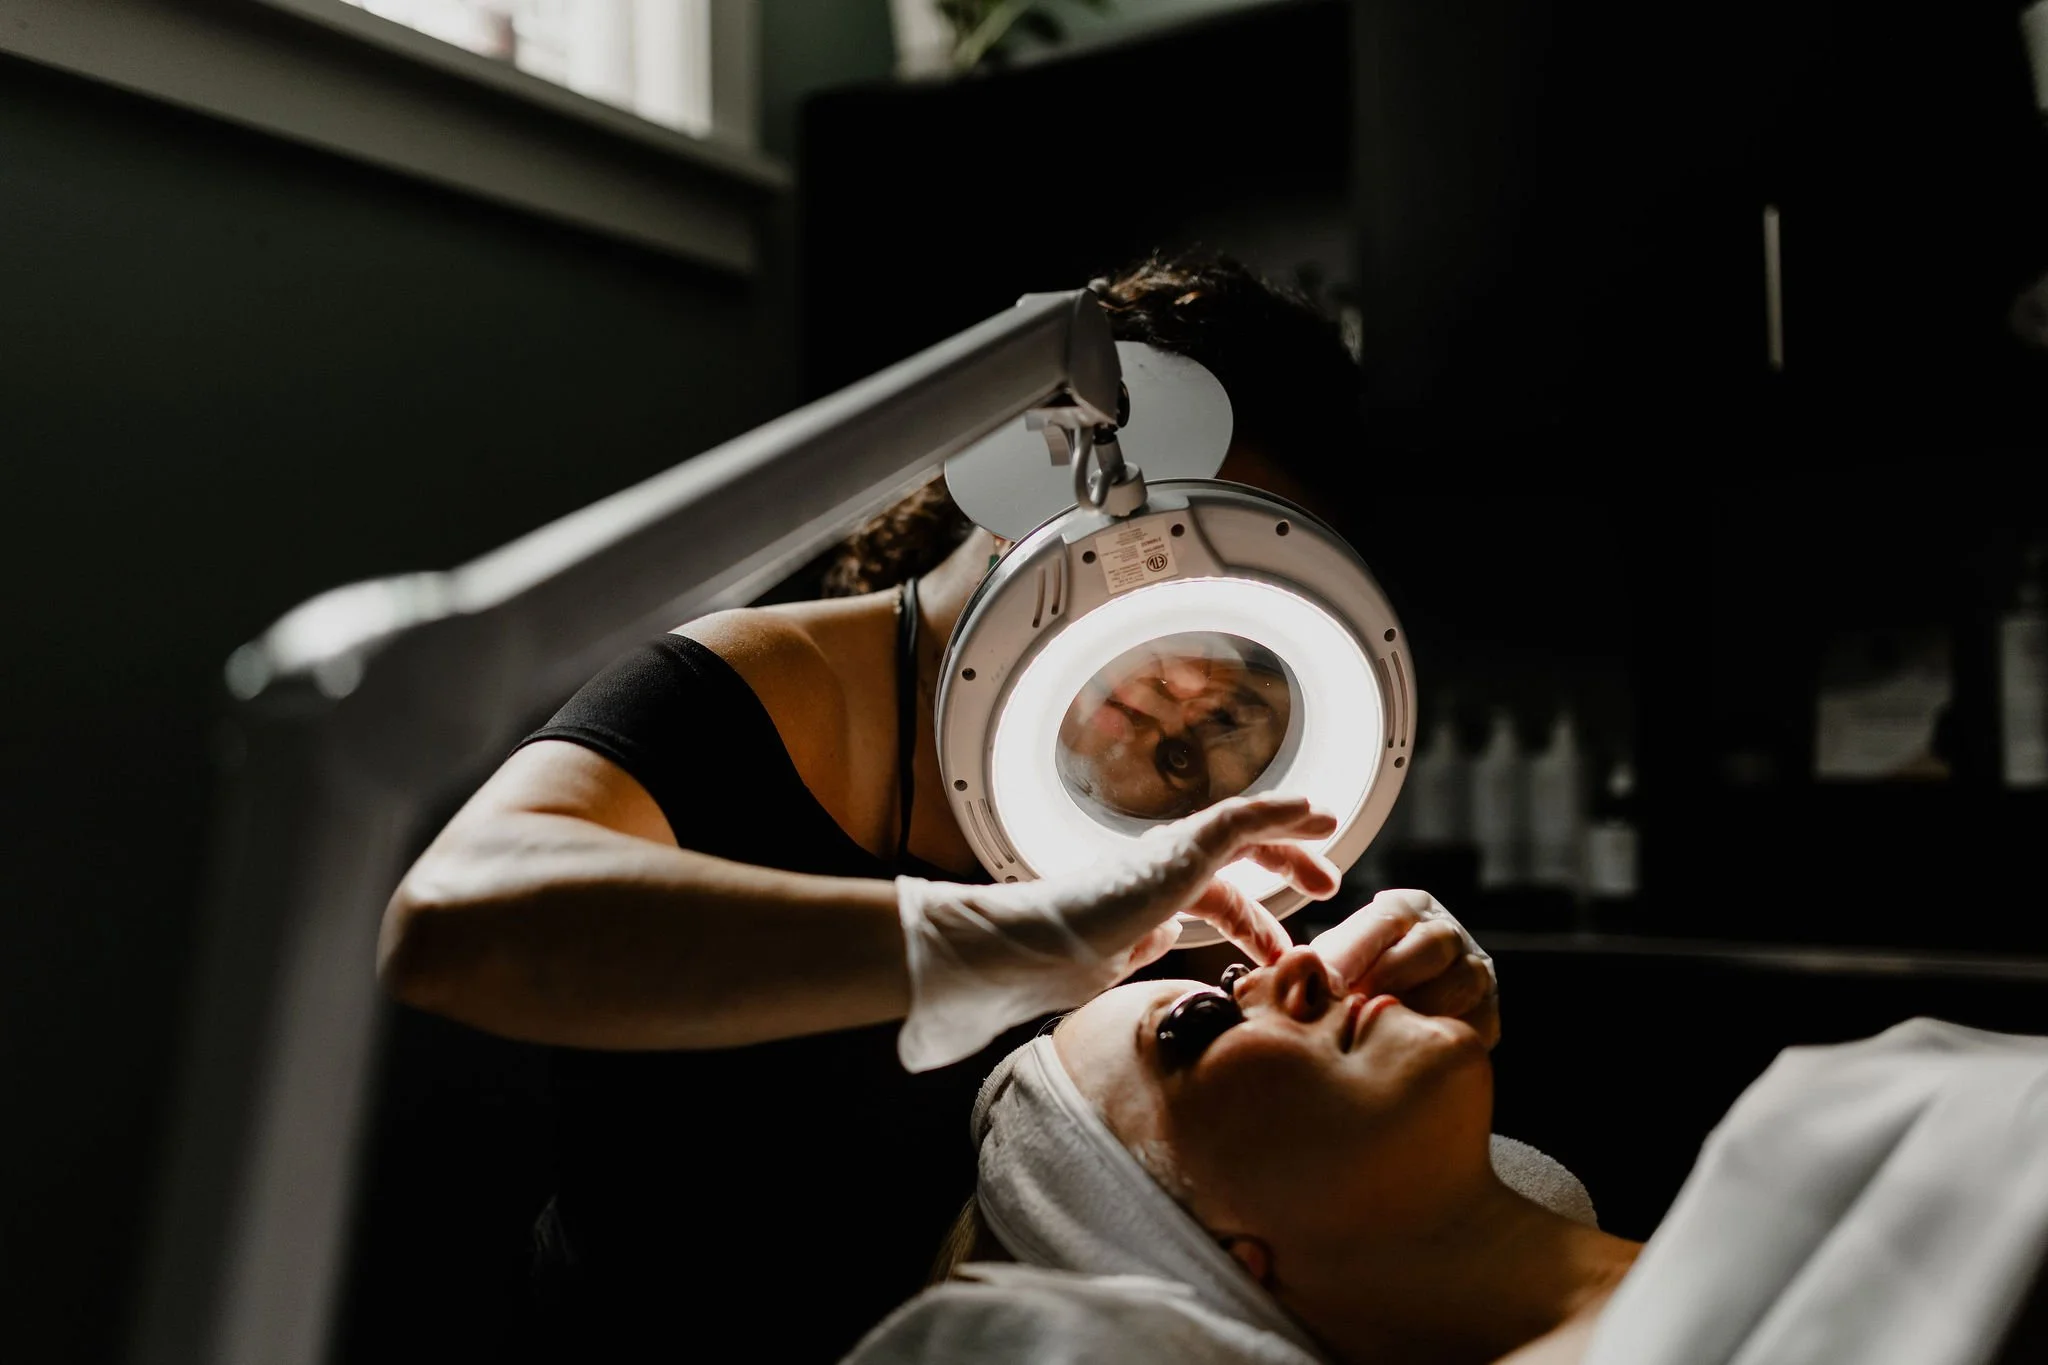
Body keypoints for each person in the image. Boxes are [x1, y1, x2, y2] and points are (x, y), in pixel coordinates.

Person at [377, 251, 1375, 1359]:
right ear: (1047, 468)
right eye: (1173, 564)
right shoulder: (754, 690)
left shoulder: (1211, 831)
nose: (1190, 674)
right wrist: (998, 942)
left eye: (1240, 655)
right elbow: (450, 923)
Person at [852, 904, 2048, 1365]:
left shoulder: (1777, 1168)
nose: (1298, 972)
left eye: (1241, 973)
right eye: (1198, 1027)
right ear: (1221, 1256)